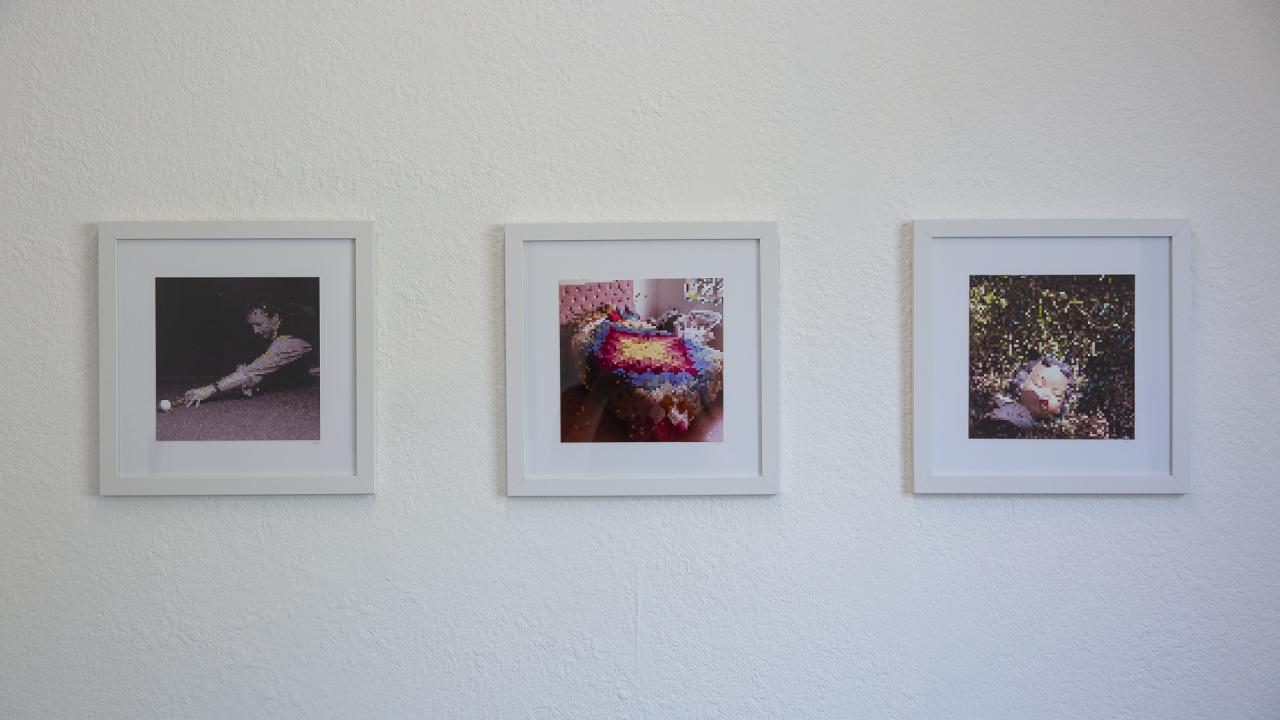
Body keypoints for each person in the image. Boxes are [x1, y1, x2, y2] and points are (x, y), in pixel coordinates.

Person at [180, 299, 318, 407]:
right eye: (252, 325)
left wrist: (208, 390)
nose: (255, 331)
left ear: (275, 318)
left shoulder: (286, 340)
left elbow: (253, 370)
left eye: (259, 324)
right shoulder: (288, 318)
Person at [971, 354, 1074, 438]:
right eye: (1039, 385)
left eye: (1056, 395)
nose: (1046, 395)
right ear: (1022, 383)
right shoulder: (1007, 415)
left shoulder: (1048, 429)